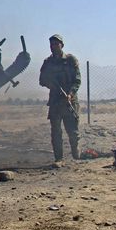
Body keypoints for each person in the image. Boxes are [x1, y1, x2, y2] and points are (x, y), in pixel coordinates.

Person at [38, 34, 81, 166]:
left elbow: (77, 80)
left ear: (62, 45)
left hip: (69, 101)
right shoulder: (48, 62)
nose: (53, 47)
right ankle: (59, 159)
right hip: (55, 101)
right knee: (56, 132)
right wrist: (51, 84)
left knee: (73, 131)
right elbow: (42, 80)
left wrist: (70, 94)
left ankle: (76, 155)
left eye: (56, 44)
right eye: (51, 44)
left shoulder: (70, 60)